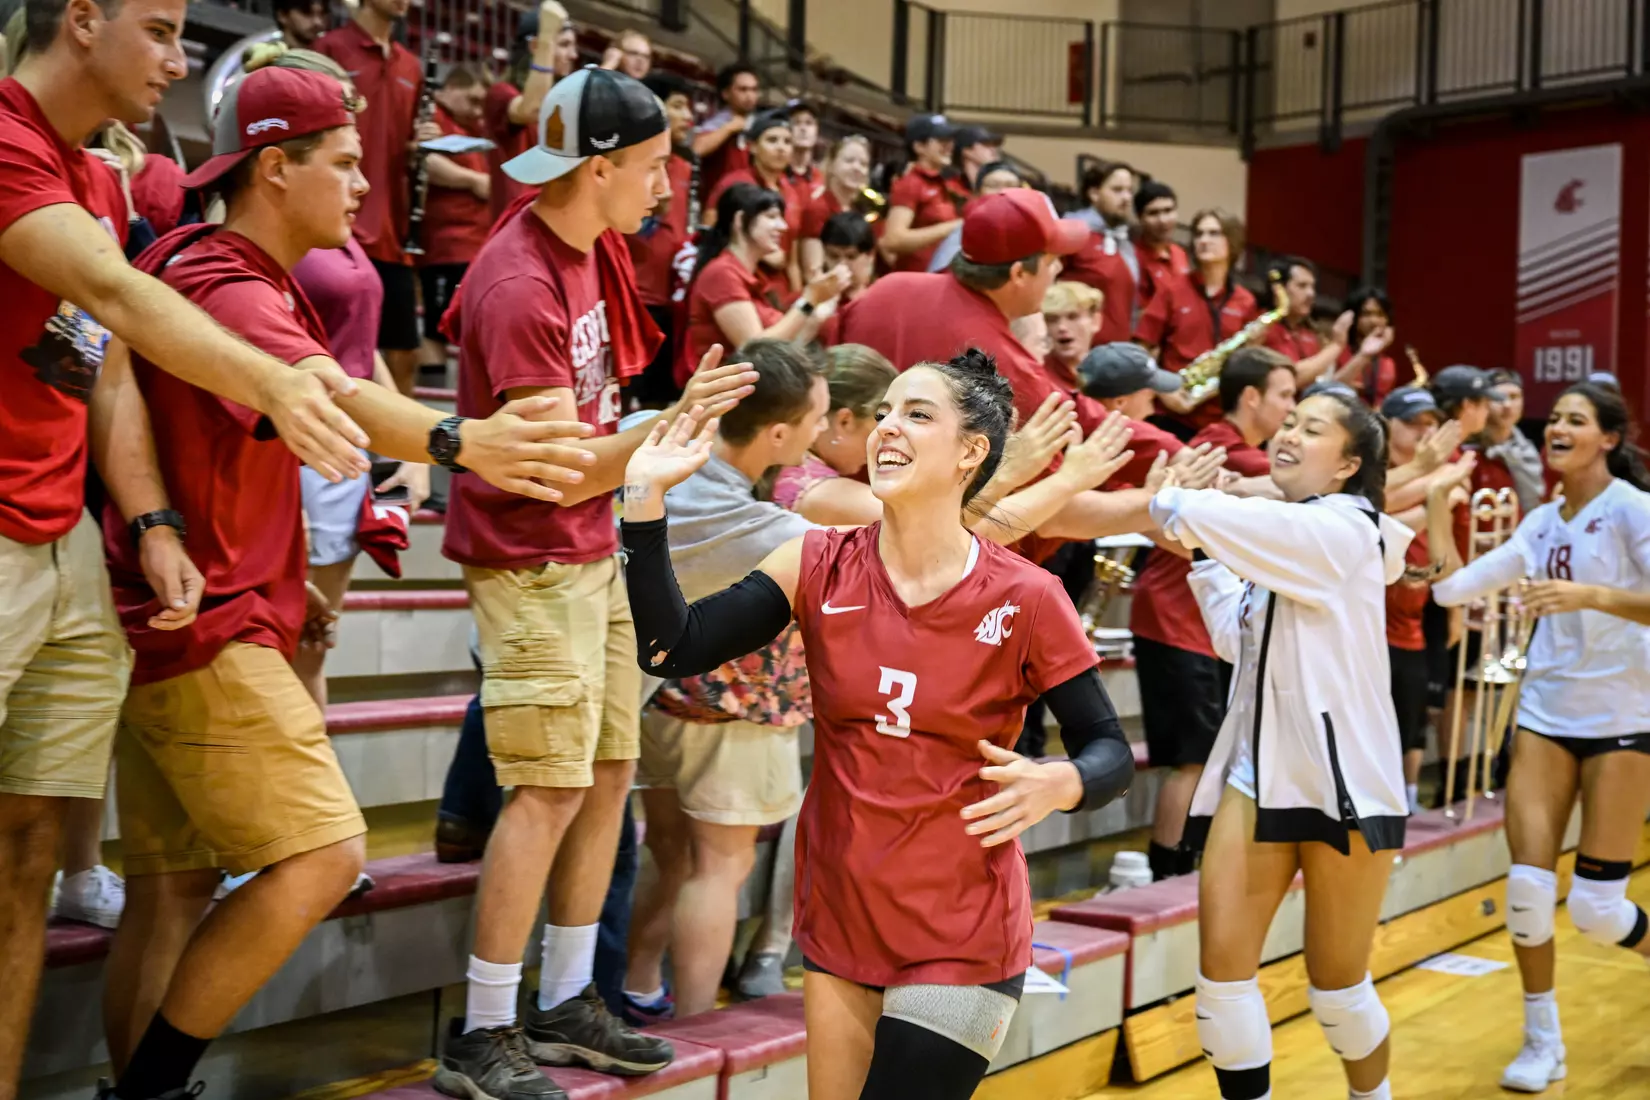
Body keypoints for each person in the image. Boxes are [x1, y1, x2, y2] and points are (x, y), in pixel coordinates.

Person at [95, 64, 601, 1100]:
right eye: (341, 162)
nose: (365, 185)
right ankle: (148, 1089)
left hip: (201, 606)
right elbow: (323, 392)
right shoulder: (223, 279)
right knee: (323, 854)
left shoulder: (228, 267)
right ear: (274, 168)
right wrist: (468, 440)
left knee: (171, 884)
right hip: (205, 624)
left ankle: (140, 1085)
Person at [0, 3, 378, 1088]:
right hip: (102, 574)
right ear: (81, 20)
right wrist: (446, 431)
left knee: (41, 859)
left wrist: (150, 515)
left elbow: (104, 356)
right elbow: (118, 293)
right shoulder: (22, 148)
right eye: (163, 30)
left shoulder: (105, 177)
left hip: (75, 539)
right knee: (311, 851)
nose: (180, 61)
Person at [619, 349, 1137, 1100]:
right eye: (886, 411)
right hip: (841, 916)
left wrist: (1061, 781)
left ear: (971, 453)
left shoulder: (1028, 596)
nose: (888, 427)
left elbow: (1110, 753)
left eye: (918, 415)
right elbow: (672, 648)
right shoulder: (814, 560)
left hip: (962, 928)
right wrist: (643, 502)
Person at [434, 67, 761, 1100]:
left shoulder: (594, 250)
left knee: (612, 772)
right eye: (656, 164)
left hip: (591, 545)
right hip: (529, 557)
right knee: (548, 787)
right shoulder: (521, 281)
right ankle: (483, 1026)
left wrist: (665, 420)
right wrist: (675, 425)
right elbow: (560, 462)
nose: (667, 184)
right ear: (602, 165)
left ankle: (568, 995)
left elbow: (604, 420)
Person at [1128, 388, 1411, 1100]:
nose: (1288, 435)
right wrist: (1202, 560)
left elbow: (1207, 512)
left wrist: (1176, 501)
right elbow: (1236, 637)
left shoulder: (1346, 530)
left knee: (1338, 989)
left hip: (1344, 786)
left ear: (1348, 464)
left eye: (1312, 429)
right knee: (1222, 989)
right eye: (1288, 422)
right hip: (1257, 780)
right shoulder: (1290, 536)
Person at [1425, 381, 1650, 1094]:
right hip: (1547, 713)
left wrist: (1591, 596)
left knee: (1597, 909)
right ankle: (1542, 1041)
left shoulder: (1632, 511)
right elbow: (1448, 590)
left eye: (1575, 420)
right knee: (1525, 888)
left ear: (1608, 439)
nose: (1557, 427)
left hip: (1625, 718)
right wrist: (1436, 507)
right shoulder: (1541, 522)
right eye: (1555, 418)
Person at [624, 340, 829, 1023]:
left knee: (671, 851)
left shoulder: (651, 432)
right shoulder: (764, 523)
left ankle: (636, 985)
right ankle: (693, 1031)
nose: (822, 433)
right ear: (777, 433)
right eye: (817, 420)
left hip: (652, 697)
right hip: (729, 706)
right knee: (720, 866)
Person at [838, 190, 1172, 546]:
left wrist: (1176, 453)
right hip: (918, 559)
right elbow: (1052, 514)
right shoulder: (1003, 364)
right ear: (1017, 274)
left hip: (840, 524)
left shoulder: (886, 288)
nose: (1059, 268)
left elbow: (1078, 412)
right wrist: (1160, 499)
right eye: (1051, 260)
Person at [256, 43, 429, 706]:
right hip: (299, 446)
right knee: (290, 646)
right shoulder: (274, 219)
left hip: (346, 446)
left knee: (313, 646)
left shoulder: (335, 216)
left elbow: (355, 346)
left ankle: (309, 795)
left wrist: (408, 447)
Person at [1123, 347, 1295, 880]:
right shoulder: (1222, 448)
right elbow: (1289, 487)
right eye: (1286, 395)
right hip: (1177, 620)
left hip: (1198, 620)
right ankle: (1168, 874)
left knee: (1203, 756)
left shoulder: (1233, 446)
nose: (1293, 410)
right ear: (1251, 397)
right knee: (1192, 759)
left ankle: (1182, 867)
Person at [315, 0, 428, 396]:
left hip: (392, 230)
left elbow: (407, 142)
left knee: (403, 355)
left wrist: (420, 147)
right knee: (336, 354)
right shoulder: (329, 49)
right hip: (336, 224)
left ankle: (401, 454)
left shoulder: (411, 66)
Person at [682, 183, 848, 379]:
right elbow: (756, 351)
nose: (783, 227)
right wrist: (809, 300)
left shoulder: (754, 274)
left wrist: (820, 308)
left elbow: (783, 346)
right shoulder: (721, 273)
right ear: (740, 220)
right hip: (724, 398)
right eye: (771, 217)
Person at [1380, 385, 1451, 815]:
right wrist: (1432, 499)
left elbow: (1447, 562)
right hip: (1370, 620)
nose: (1423, 432)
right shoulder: (1370, 471)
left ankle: (1405, 798)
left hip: (1415, 618)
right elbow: (1369, 519)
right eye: (1412, 423)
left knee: (1412, 714)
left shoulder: (1441, 478)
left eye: (1429, 424)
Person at [1133, 208, 1260, 439]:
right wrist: (1163, 390)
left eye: (1213, 234)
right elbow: (1140, 349)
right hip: (1171, 415)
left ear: (1231, 241)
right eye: (1199, 234)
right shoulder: (1172, 290)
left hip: (1222, 420)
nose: (1203, 240)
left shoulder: (1246, 301)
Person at [626, 70, 698, 408]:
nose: (689, 116)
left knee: (658, 401)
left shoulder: (684, 165)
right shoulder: (629, 158)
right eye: (679, 106)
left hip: (668, 300)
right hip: (632, 296)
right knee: (621, 395)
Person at [417, 63, 492, 382]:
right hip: (446, 246)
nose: (477, 111)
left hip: (474, 246)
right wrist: (473, 180)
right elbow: (425, 161)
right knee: (437, 327)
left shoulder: (473, 129)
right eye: (472, 101)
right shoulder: (433, 120)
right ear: (447, 91)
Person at [484, 1, 576, 222]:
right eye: (564, 44)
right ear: (535, 46)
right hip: (515, 228)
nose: (573, 55)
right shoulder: (500, 94)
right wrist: (547, 39)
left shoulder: (563, 104)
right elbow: (533, 109)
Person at [703, 109, 803, 295]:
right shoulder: (734, 184)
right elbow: (709, 236)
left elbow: (792, 261)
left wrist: (797, 297)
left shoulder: (792, 193)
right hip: (737, 284)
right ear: (753, 146)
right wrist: (763, 252)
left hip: (778, 292)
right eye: (772, 140)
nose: (781, 148)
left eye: (787, 142)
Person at [881, 113, 967, 273]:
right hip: (918, 283)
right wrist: (951, 228)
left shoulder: (944, 182)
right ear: (919, 146)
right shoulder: (910, 183)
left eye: (950, 140)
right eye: (941, 140)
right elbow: (893, 239)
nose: (949, 145)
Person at [1062, 160, 1136, 343]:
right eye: (1117, 190)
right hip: (1079, 353)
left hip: (1118, 352)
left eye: (1129, 190)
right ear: (1094, 193)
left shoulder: (1125, 240)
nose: (1126, 198)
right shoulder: (1072, 233)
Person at [1262, 255, 1354, 386]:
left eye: (1312, 287)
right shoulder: (1264, 328)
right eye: (1302, 286)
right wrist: (1337, 345)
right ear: (1279, 290)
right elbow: (1290, 378)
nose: (1311, 294)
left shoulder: (1311, 333)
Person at [926, 159, 1023, 273]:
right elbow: (938, 279)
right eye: (993, 185)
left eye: (1011, 186)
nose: (1002, 192)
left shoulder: (1031, 230)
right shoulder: (964, 233)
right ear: (977, 195)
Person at [798, 135, 873, 281]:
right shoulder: (817, 209)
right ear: (831, 164)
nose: (857, 168)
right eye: (849, 161)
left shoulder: (858, 209)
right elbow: (812, 273)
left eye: (863, 164)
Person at [1482, 367, 1544, 513]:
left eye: (1514, 397)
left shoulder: (1527, 451)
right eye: (1498, 398)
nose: (1507, 405)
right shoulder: (1468, 448)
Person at [693, 61, 760, 197]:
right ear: (725, 93)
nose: (750, 96)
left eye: (754, 90)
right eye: (743, 89)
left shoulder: (759, 125)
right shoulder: (716, 123)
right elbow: (697, 149)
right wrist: (729, 128)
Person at [1131, 179, 1189, 308]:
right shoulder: (1132, 259)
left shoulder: (1179, 253)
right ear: (1140, 218)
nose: (1163, 220)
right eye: (1153, 213)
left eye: (1168, 211)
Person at [1338, 287, 1398, 407]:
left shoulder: (1388, 363)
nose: (1374, 321)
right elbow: (1330, 389)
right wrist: (1364, 355)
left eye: (1380, 314)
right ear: (1353, 317)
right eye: (1366, 314)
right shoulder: (1338, 352)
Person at [785, 98, 821, 189]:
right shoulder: (774, 173)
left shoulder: (821, 181)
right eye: (796, 123)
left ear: (817, 131)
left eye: (809, 123)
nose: (803, 128)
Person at [952, 124, 1002, 190]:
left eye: (995, 144)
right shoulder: (951, 189)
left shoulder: (1004, 186)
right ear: (967, 150)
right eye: (986, 144)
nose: (993, 149)